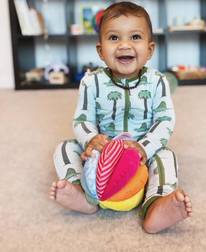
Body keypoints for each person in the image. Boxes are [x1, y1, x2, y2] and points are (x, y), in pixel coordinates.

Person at [49, 1, 192, 234]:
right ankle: (81, 192)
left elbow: (165, 121)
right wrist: (91, 140)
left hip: (141, 155)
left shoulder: (158, 82)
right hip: (101, 153)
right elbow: (82, 118)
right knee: (64, 148)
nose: (124, 45)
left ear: (150, 49)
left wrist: (144, 148)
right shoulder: (91, 81)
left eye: (135, 37)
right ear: (100, 51)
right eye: (114, 38)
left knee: (166, 157)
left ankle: (156, 204)